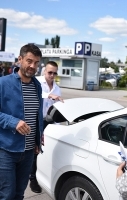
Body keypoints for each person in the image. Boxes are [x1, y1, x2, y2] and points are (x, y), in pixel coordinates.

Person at [0, 44, 43, 200]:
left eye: (36, 63)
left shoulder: (37, 85)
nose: (33, 66)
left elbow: (37, 114)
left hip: (28, 152)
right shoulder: (3, 83)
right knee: (6, 195)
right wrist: (14, 122)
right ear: (20, 59)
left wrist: (38, 138)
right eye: (29, 61)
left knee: (19, 194)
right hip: (6, 150)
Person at [29, 60, 63, 193]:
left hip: (50, 121)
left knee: (46, 149)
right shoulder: (36, 81)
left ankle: (43, 174)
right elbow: (35, 95)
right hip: (36, 120)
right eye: (50, 72)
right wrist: (49, 95)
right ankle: (32, 179)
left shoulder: (57, 87)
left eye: (55, 73)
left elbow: (57, 107)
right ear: (44, 71)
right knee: (35, 150)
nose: (52, 75)